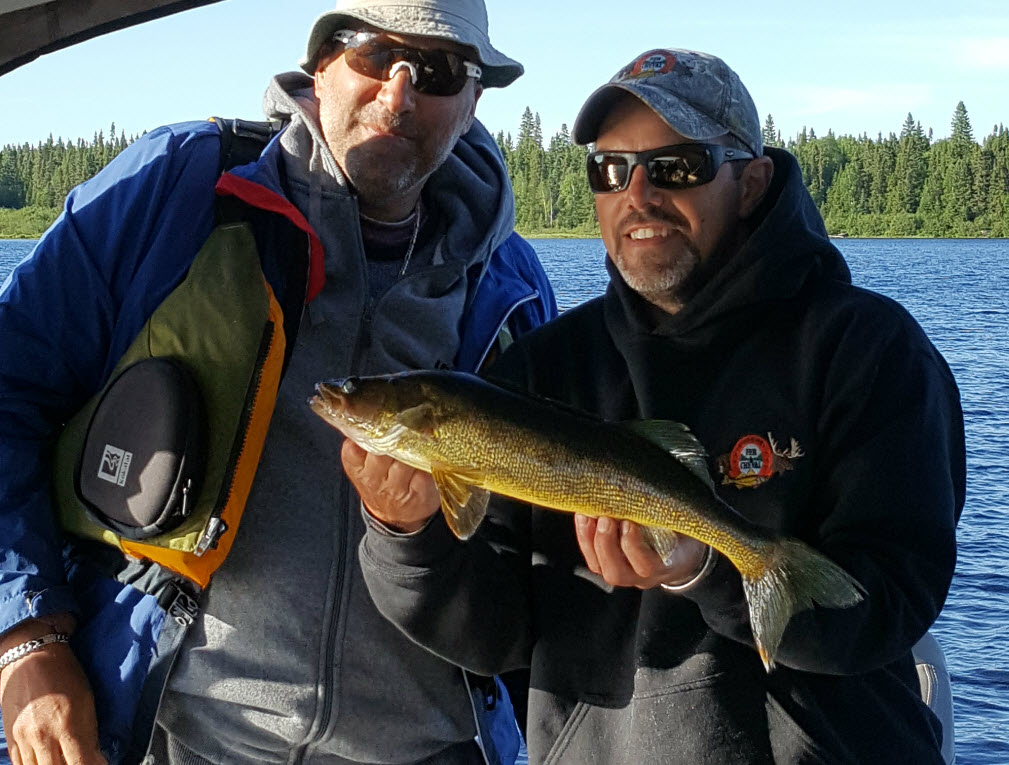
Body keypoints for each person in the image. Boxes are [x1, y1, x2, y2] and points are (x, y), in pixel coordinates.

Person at [350, 48, 965, 764]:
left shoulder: (869, 350)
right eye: (609, 170)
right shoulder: (544, 369)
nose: (637, 194)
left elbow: (884, 608)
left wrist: (703, 569)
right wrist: (406, 535)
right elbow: (494, 639)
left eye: (676, 167)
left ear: (750, 183)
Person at [0, 1, 556, 763]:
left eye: (437, 71)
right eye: (373, 55)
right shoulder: (175, 189)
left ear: (472, 101)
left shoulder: (514, 287)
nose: (398, 94)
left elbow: (526, 557)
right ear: (320, 64)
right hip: (177, 738)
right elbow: (7, 389)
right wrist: (26, 635)